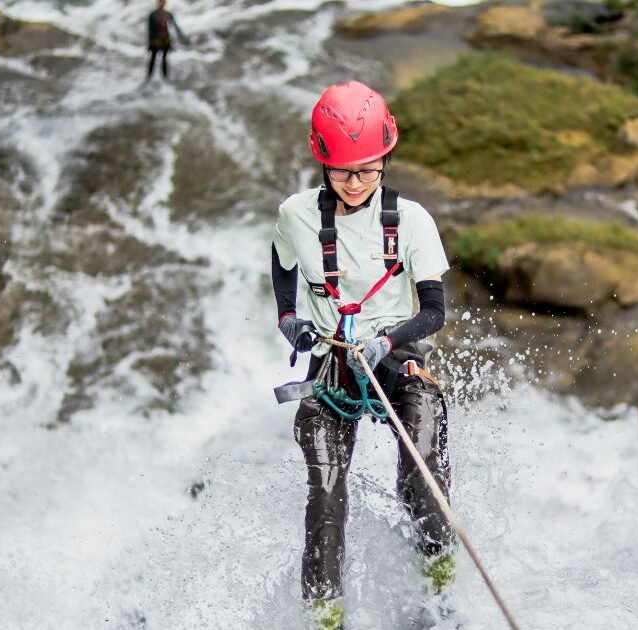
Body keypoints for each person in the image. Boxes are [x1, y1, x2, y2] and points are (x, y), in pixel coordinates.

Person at [271, 81, 456, 628]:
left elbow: (435, 311)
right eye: (343, 171)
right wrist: (289, 320)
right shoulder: (295, 215)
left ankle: (440, 575)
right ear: (322, 162)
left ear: (385, 159)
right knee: (326, 494)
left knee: (420, 473)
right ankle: (326, 615)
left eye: (369, 170)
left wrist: (387, 342)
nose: (355, 184)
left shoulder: (414, 221)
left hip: (398, 358)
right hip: (331, 362)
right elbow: (282, 267)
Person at [146, 0, 189, 82]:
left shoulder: (168, 14)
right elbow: (150, 29)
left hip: (165, 39)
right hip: (155, 40)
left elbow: (175, 27)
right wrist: (152, 40)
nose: (162, 3)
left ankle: (165, 78)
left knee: (164, 59)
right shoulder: (153, 15)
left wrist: (183, 38)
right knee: (153, 58)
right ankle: (149, 77)